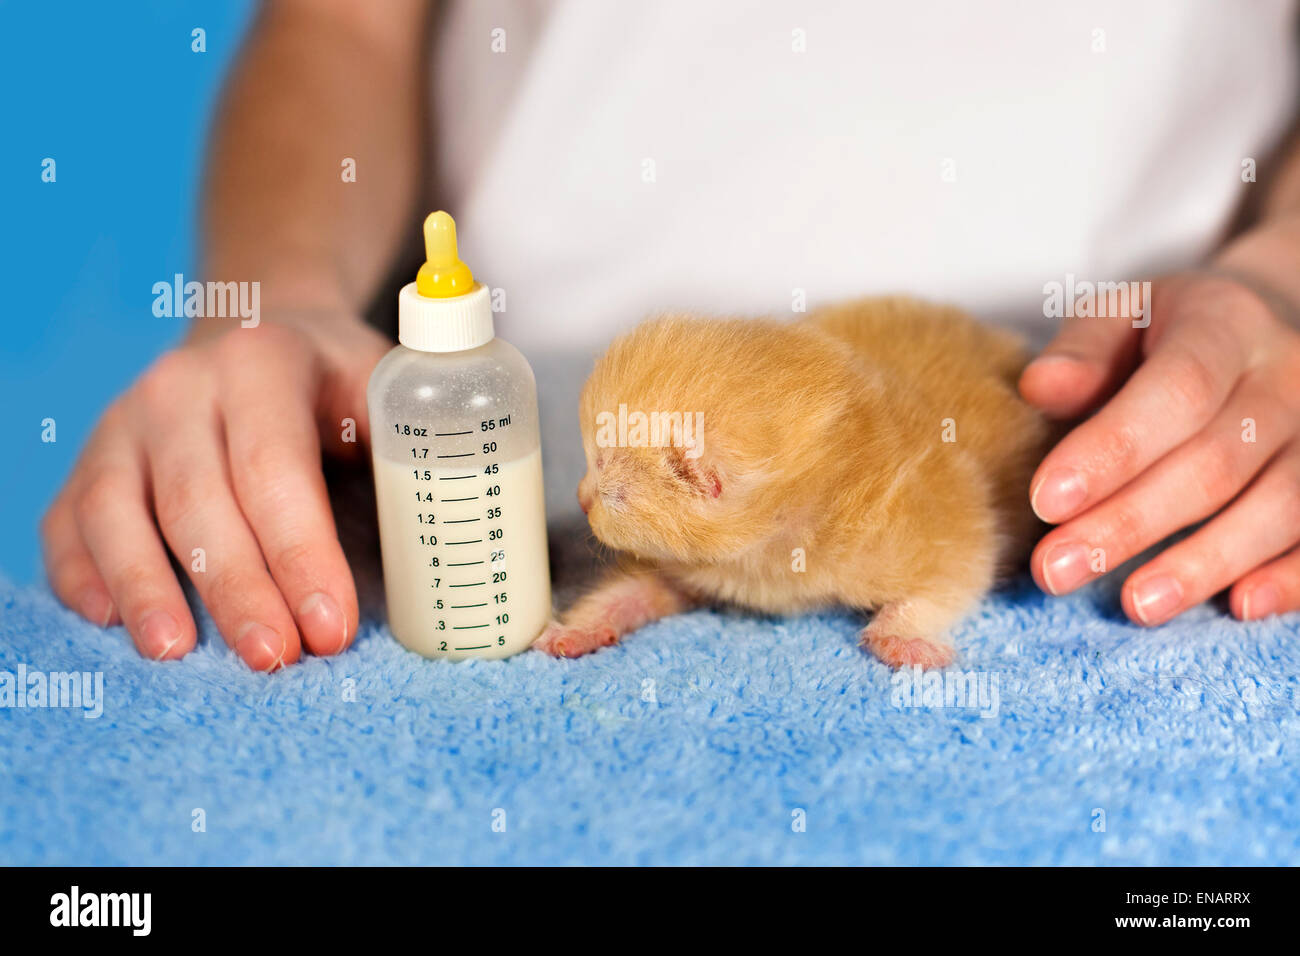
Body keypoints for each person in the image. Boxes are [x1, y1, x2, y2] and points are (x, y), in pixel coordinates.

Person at [41, 0, 1300, 670]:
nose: (599, 490)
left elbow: (943, 546)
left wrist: (1282, 278)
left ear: (708, 479)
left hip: (1148, 401)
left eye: (628, 474)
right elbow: (340, 16)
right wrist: (278, 294)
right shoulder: (632, 477)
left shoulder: (869, 498)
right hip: (507, 393)